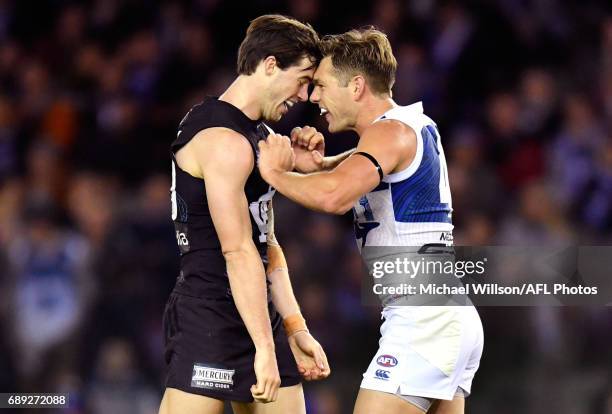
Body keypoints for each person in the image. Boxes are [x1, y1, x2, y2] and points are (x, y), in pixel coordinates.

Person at [257, 28, 484, 414]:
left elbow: (334, 195)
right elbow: (347, 177)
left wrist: (274, 173)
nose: (314, 98)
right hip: (442, 314)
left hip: (423, 320)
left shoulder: (390, 132)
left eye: (322, 86)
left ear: (357, 85)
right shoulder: (406, 128)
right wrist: (318, 165)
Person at [159, 15, 331, 414]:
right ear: (270, 65)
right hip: (208, 314)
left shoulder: (261, 138)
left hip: (255, 310)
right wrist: (265, 349)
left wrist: (295, 326)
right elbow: (237, 251)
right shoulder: (222, 141)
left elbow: (266, 245)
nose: (305, 96)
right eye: (303, 80)